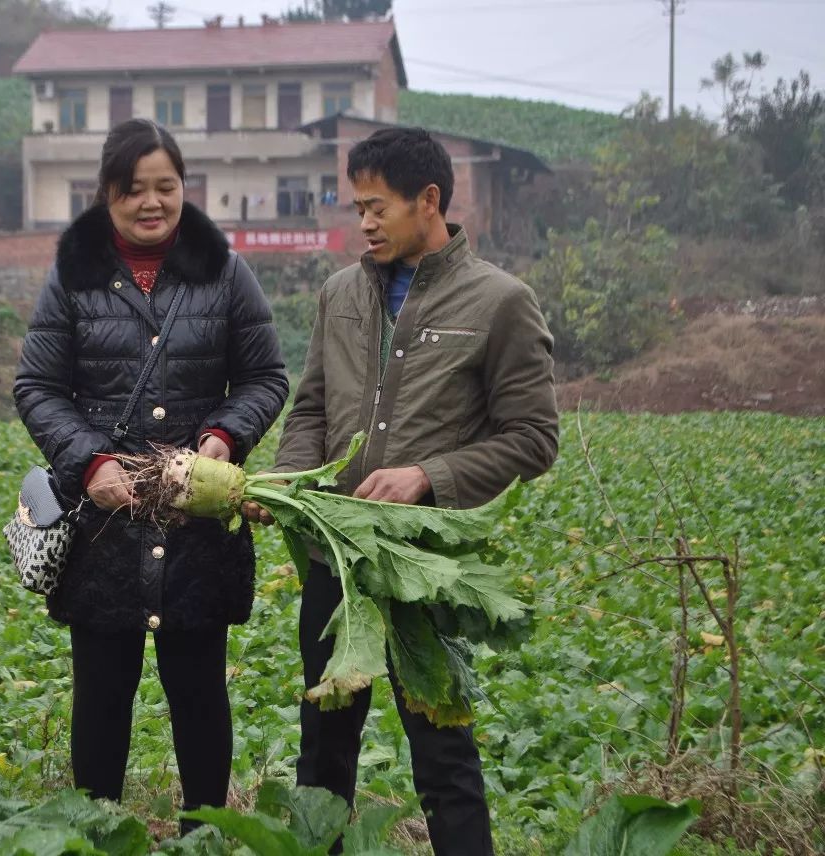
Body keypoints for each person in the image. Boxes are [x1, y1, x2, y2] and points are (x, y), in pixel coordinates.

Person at [245, 127, 559, 855]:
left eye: (378, 206)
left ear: (430, 200)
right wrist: (291, 479)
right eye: (357, 207)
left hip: (423, 568)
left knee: (443, 759)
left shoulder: (500, 303)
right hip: (336, 564)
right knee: (323, 747)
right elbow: (314, 410)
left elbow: (534, 439)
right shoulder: (339, 295)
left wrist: (429, 477)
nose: (365, 222)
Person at [13, 118, 288, 830]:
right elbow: (37, 388)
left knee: (199, 693)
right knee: (101, 695)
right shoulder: (73, 274)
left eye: (165, 186)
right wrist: (91, 461)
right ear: (108, 193)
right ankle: (100, 836)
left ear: (183, 189)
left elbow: (264, 375)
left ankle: (204, 837)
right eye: (134, 189)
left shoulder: (225, 270)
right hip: (105, 524)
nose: (151, 203)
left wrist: (224, 438)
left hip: (197, 521)